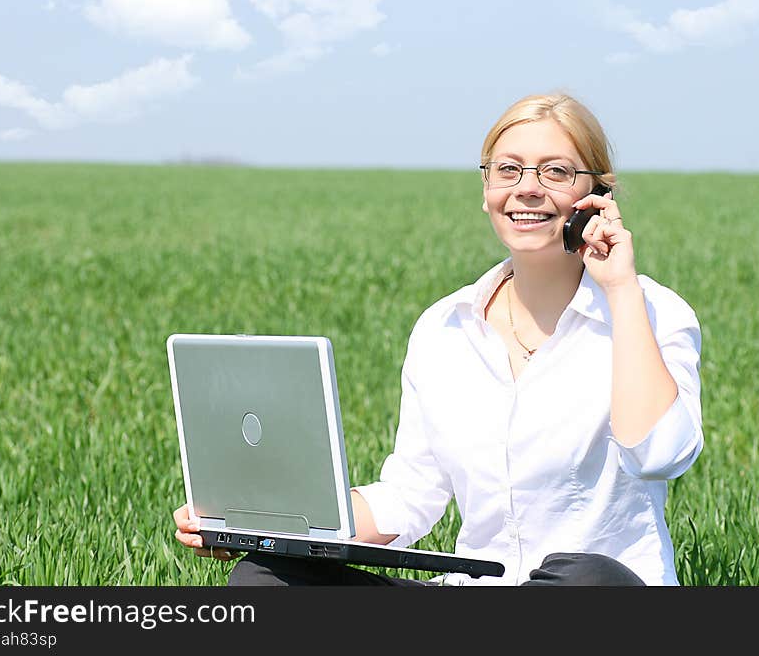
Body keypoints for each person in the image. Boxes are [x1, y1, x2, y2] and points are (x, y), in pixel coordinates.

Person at [173, 92, 704, 586]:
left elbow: (659, 453)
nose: (527, 188)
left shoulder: (651, 311)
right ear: (487, 190)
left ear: (598, 194)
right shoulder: (444, 328)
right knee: (265, 576)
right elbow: (411, 495)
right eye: (508, 170)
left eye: (556, 172)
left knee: (587, 579)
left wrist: (620, 289)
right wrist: (262, 519)